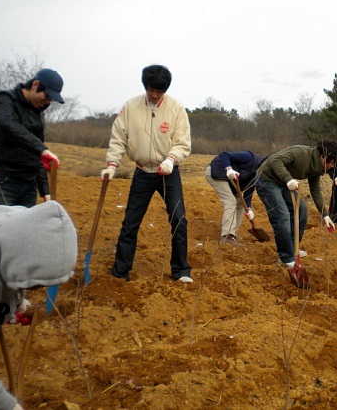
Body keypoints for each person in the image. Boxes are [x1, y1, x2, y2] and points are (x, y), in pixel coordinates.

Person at [101, 65, 192, 283]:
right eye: (151, 90)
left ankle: (180, 271)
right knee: (130, 221)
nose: (154, 95)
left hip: (168, 172)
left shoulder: (176, 109)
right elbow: (118, 138)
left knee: (179, 219)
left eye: (159, 91)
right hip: (142, 172)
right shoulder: (130, 107)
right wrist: (112, 164)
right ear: (145, 86)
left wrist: (171, 159)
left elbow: (182, 142)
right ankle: (120, 271)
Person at [0, 201, 78, 410]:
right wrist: (6, 404)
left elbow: (10, 269)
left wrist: (16, 304)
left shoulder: (18, 229)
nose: (39, 289)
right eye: (36, 283)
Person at [0, 68, 64, 208]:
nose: (47, 102)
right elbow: (8, 126)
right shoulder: (5, 100)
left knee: (25, 222)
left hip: (29, 185)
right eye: (46, 96)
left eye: (50, 99)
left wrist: (45, 191)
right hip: (1, 179)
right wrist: (43, 150)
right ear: (35, 85)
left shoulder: (38, 113)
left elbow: (37, 155)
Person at [255, 141, 337, 268]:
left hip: (282, 182)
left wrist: (325, 215)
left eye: (333, 164)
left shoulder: (317, 168)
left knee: (302, 211)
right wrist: (288, 179)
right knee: (282, 216)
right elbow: (275, 161)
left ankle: (292, 248)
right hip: (267, 180)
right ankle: (286, 257)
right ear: (322, 156)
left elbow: (315, 190)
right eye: (330, 163)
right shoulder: (300, 153)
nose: (331, 166)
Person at [205, 151, 266, 247]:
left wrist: (249, 208)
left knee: (240, 202)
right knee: (230, 201)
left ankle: (233, 234)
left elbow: (248, 192)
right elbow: (224, 155)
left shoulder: (259, 174)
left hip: (230, 182)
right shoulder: (249, 157)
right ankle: (227, 236)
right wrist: (229, 169)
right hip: (216, 172)